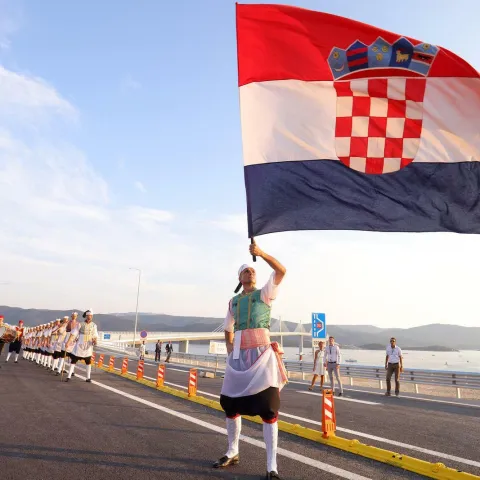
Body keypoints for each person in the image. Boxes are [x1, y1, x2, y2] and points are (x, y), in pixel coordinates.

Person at [214, 240, 287, 480]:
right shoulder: (233, 301)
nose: (251, 271)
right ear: (240, 277)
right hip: (238, 357)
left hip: (261, 356)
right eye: (247, 270)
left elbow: (280, 271)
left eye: (253, 270)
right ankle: (232, 451)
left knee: (268, 408)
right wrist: (228, 345)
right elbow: (228, 327)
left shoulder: (264, 294)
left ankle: (271, 467)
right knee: (230, 404)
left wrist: (261, 253)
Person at [65, 309, 98, 383]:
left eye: (91, 316)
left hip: (88, 346)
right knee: (74, 360)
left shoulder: (94, 325)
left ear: (92, 316)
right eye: (88, 316)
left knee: (88, 361)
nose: (89, 317)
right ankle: (69, 376)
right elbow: (73, 334)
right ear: (86, 316)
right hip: (80, 344)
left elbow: (95, 335)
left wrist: (95, 340)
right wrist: (68, 342)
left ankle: (88, 377)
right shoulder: (80, 324)